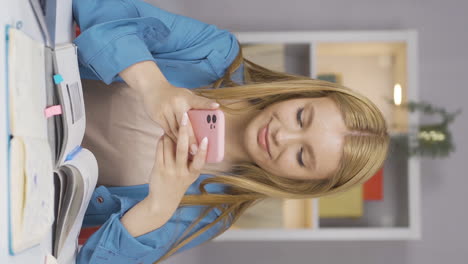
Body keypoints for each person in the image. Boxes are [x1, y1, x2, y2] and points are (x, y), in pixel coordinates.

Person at [73, 0, 390, 263]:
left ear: (302, 183)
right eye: (301, 116)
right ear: (301, 93)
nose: (284, 137)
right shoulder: (215, 54)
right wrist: (154, 85)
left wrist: (159, 206)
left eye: (302, 156)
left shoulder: (211, 212)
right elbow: (98, 6)